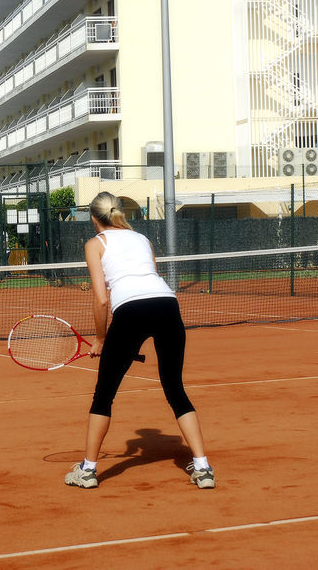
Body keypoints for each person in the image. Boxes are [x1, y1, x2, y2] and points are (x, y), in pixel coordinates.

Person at [64, 192, 214, 490]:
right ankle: (203, 467)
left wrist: (100, 338)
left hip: (130, 310)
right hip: (167, 305)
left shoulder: (95, 244)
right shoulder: (142, 239)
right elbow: (149, 279)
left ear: (94, 218)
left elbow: (101, 298)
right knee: (175, 389)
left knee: (103, 395)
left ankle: (88, 470)